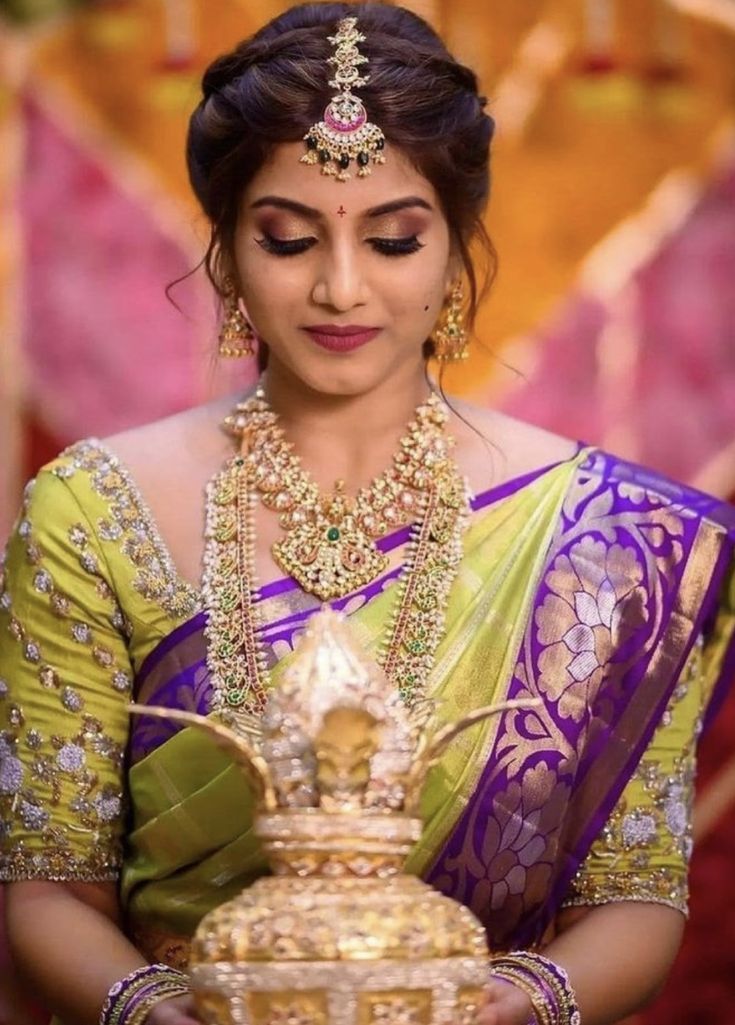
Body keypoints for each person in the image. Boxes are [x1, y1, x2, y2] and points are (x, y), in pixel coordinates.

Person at [1, 4, 734, 1025]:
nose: (341, 289)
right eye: (289, 239)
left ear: (454, 249)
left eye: (392, 240)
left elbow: (635, 895)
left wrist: (501, 1006)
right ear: (227, 251)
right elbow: (44, 881)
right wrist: (161, 1013)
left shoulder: (613, 537)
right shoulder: (94, 507)